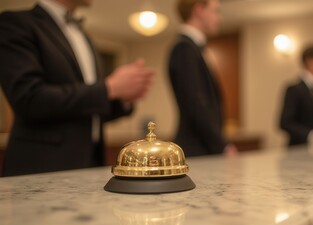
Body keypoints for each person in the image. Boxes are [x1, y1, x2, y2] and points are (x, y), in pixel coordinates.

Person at [0, 0, 154, 176]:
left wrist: (122, 98)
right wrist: (109, 88)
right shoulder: (15, 23)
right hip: (42, 167)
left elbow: (87, 110)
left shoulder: (84, 35)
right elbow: (29, 98)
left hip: (92, 162)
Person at [168, 0, 237, 157]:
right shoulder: (184, 49)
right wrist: (222, 146)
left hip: (202, 148)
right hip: (195, 149)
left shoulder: (193, 48)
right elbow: (195, 103)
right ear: (199, 10)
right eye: (215, 11)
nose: (219, 18)